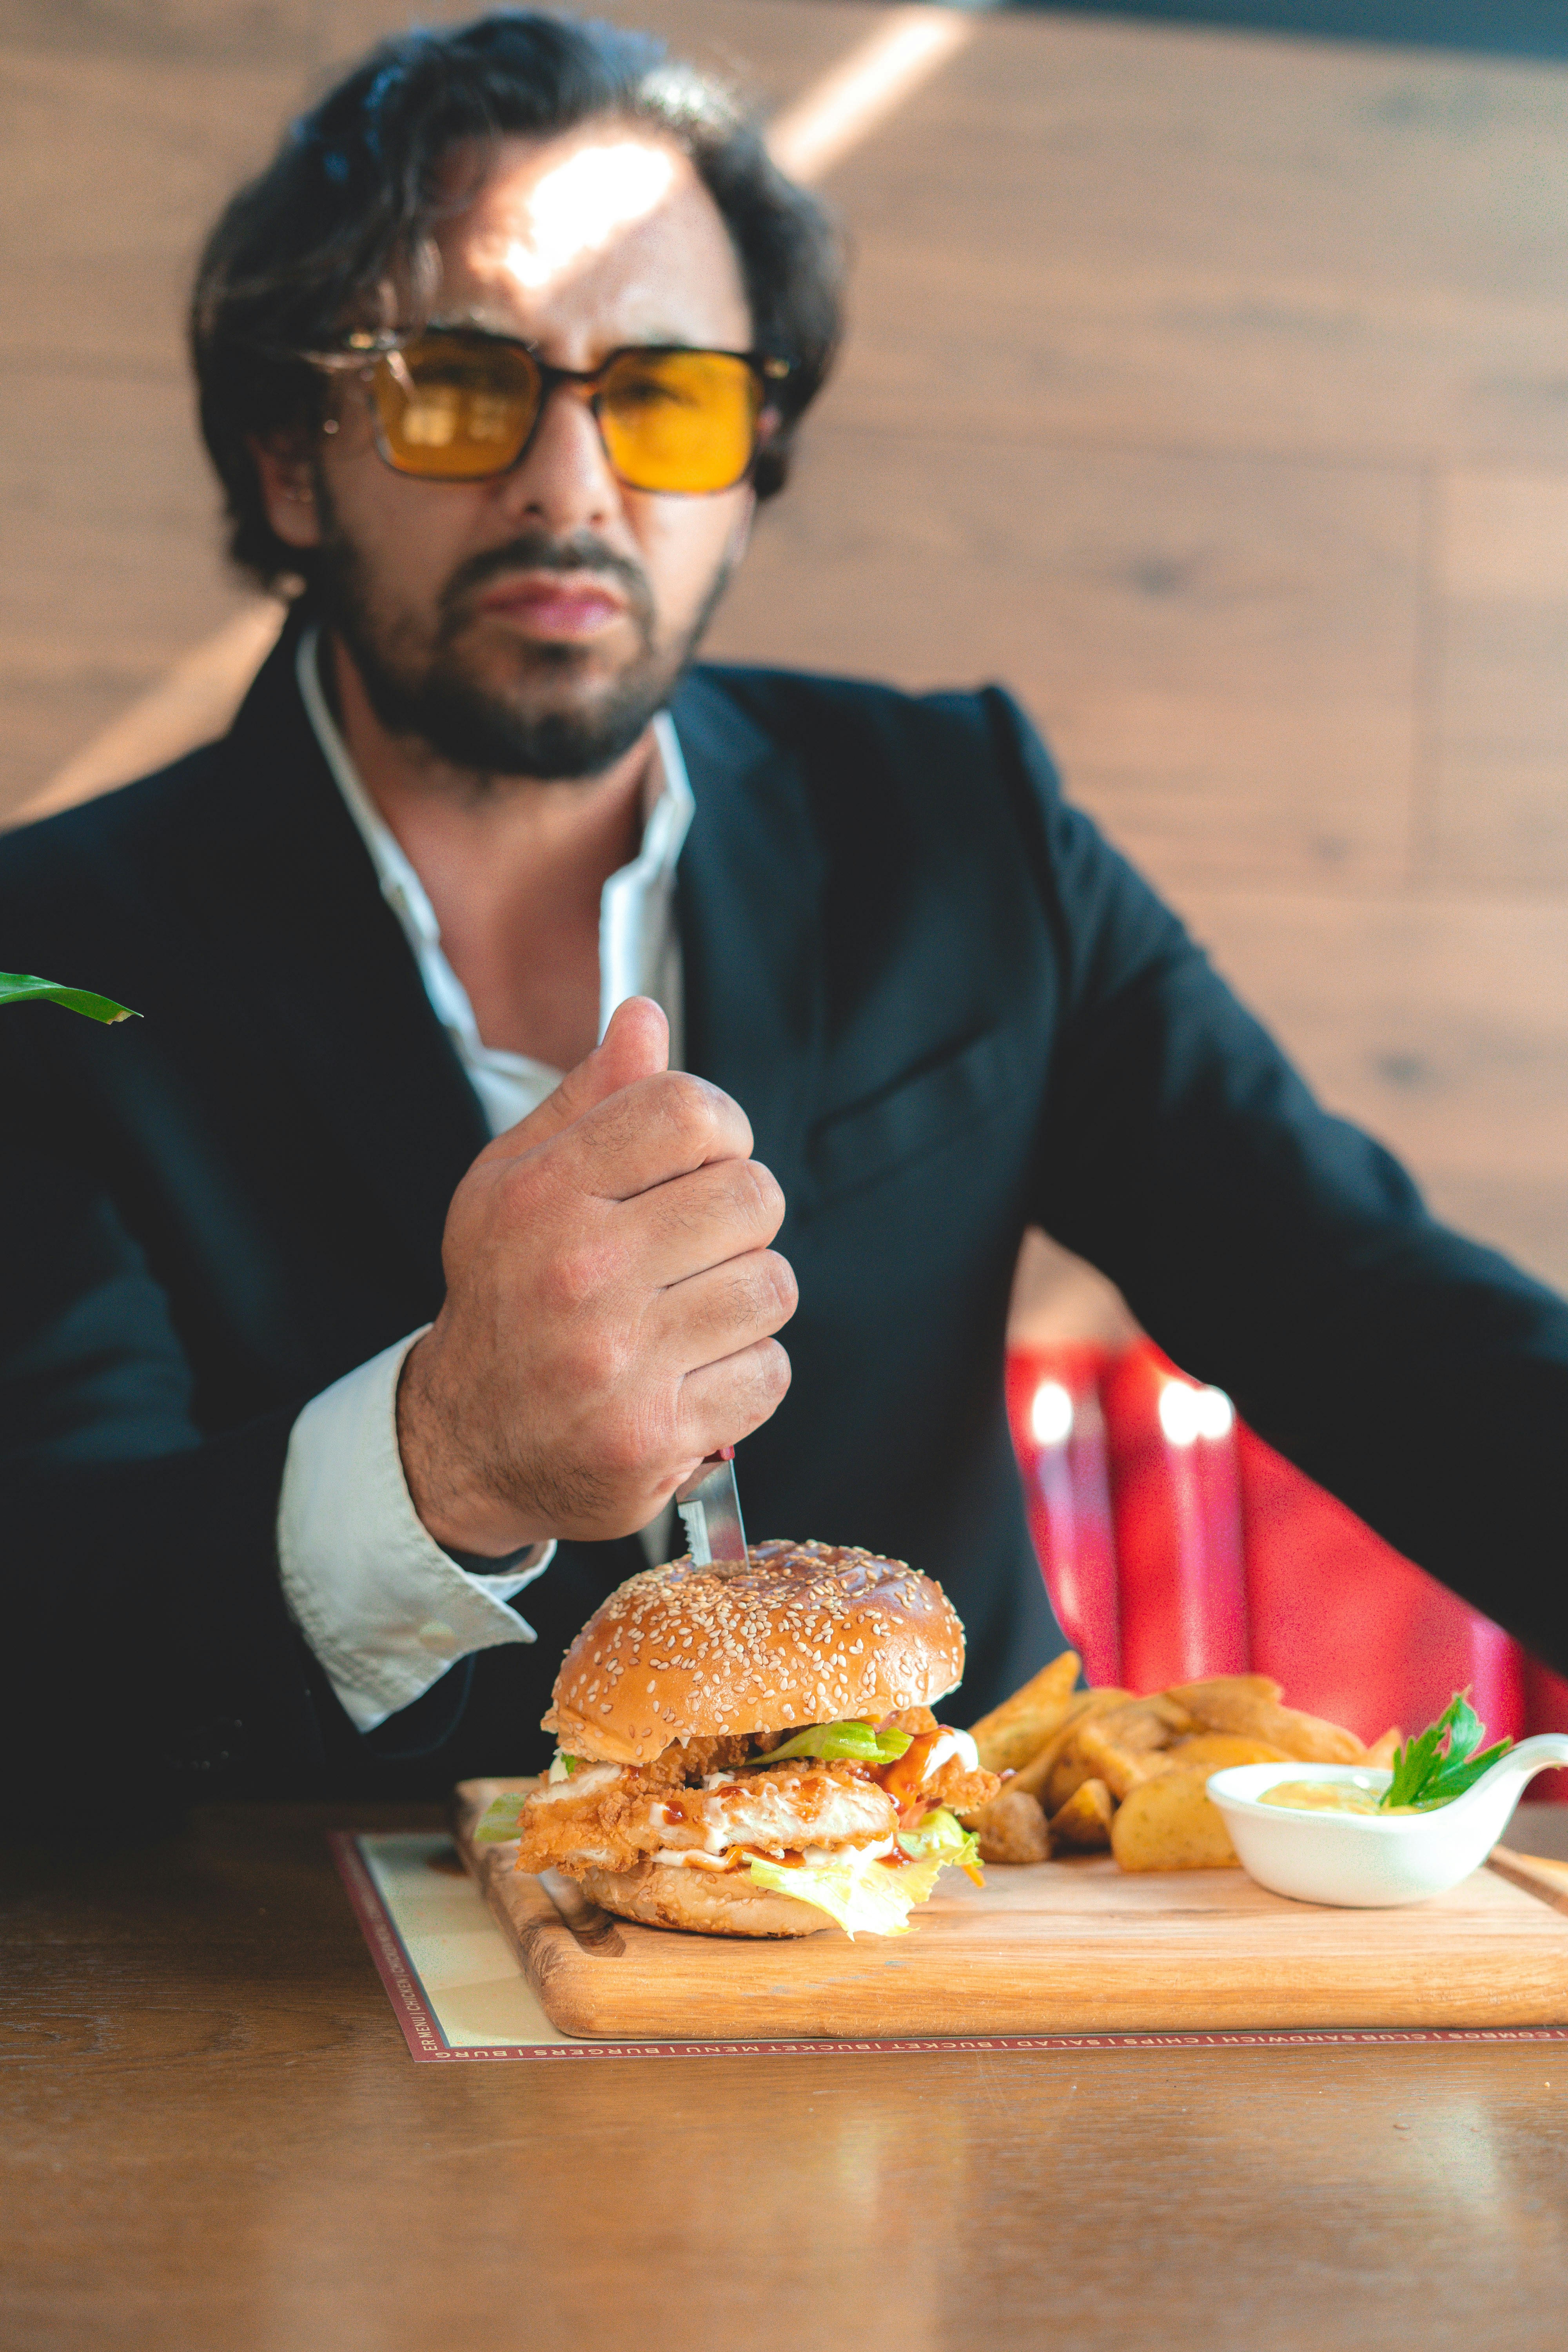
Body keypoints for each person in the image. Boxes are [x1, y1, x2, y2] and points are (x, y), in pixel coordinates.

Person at [2, 12, 1564, 1822]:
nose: (570, 486)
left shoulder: (961, 822)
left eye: (662, 398)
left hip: (946, 1984)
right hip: (317, 2023)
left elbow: (1362, 1305)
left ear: (749, 461)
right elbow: (54, 1618)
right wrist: (443, 1455)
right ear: (291, 459)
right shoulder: (54, 961)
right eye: (451, 386)